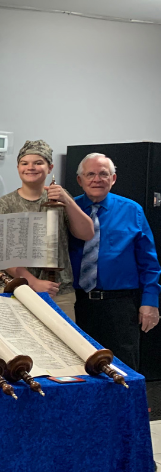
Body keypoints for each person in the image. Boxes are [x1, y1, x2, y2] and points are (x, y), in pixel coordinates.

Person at [69, 153, 160, 369]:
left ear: (113, 179)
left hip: (120, 306)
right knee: (78, 367)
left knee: (123, 368)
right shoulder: (68, 210)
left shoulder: (132, 210)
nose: (97, 179)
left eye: (103, 174)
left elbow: (149, 262)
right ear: (80, 180)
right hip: (76, 303)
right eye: (90, 174)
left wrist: (150, 302)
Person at [0, 140, 93, 319]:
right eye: (25, 163)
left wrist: (67, 200)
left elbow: (87, 233)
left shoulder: (61, 199)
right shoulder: (4, 205)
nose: (30, 167)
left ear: (50, 167)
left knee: (63, 338)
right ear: (18, 167)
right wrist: (33, 282)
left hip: (59, 293)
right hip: (17, 291)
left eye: (38, 162)